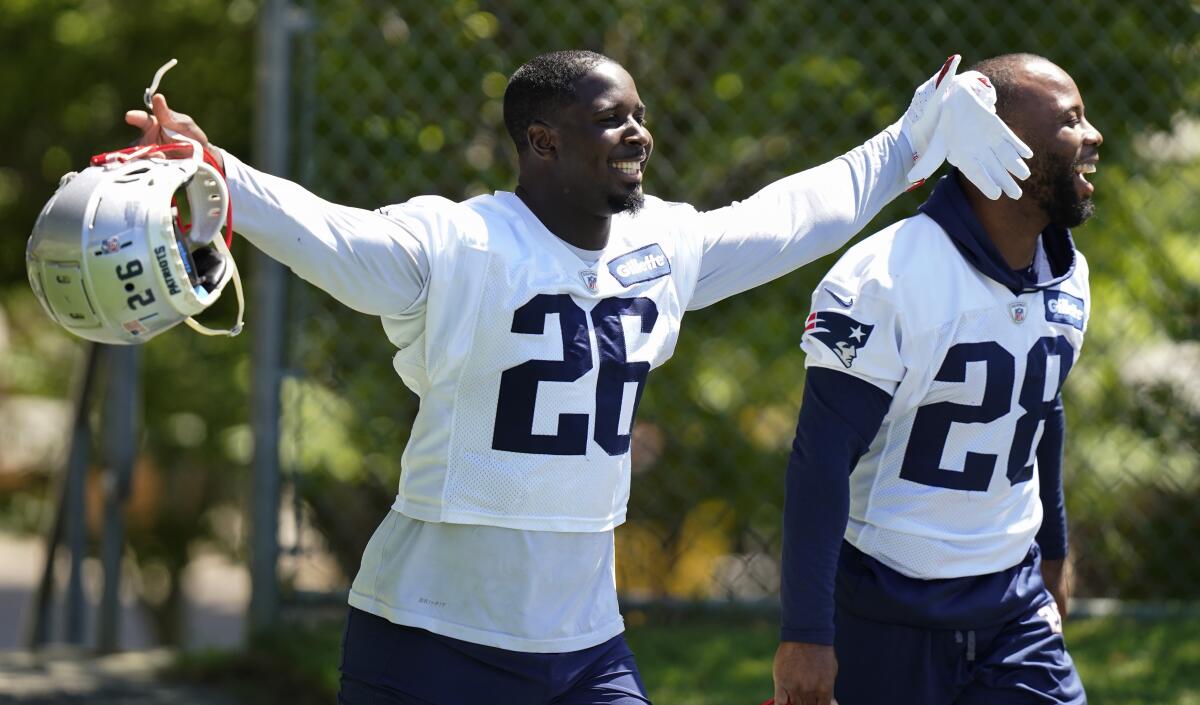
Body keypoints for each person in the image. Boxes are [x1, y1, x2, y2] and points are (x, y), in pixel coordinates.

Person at [128, 50, 1030, 705]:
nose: (638, 131)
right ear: (542, 142)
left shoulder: (660, 244)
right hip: (432, 637)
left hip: (583, 644)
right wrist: (219, 172)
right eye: (611, 118)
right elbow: (331, 234)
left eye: (639, 112)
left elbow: (794, 215)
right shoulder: (459, 242)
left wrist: (914, 132)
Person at [772, 53, 1102, 705]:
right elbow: (821, 459)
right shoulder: (885, 277)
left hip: (1013, 603)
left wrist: (1055, 551)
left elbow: (1040, 413)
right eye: (1071, 121)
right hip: (888, 607)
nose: (1094, 137)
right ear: (1001, 145)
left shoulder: (1067, 273)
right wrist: (806, 634)